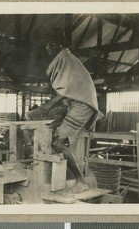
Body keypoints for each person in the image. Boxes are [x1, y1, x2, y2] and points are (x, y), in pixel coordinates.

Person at [27, 28, 102, 194]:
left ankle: (81, 181)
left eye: (49, 44)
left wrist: (48, 105)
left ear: (56, 44)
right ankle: (66, 173)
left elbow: (67, 89)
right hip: (77, 103)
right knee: (42, 121)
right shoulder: (64, 59)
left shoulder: (64, 58)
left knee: (57, 143)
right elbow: (67, 88)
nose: (47, 48)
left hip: (82, 105)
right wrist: (47, 108)